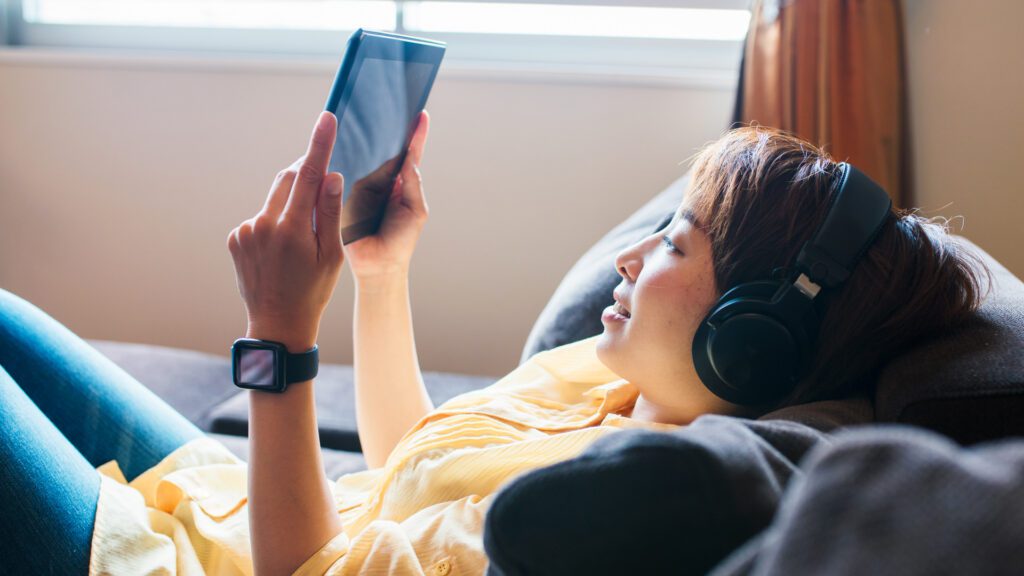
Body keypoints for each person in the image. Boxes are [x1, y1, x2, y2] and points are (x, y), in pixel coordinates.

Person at [0, 110, 988, 575]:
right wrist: (380, 282)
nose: (630, 256)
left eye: (677, 243)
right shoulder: (620, 380)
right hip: (221, 504)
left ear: (754, 340)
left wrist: (279, 341)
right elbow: (417, 461)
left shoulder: (591, 513)